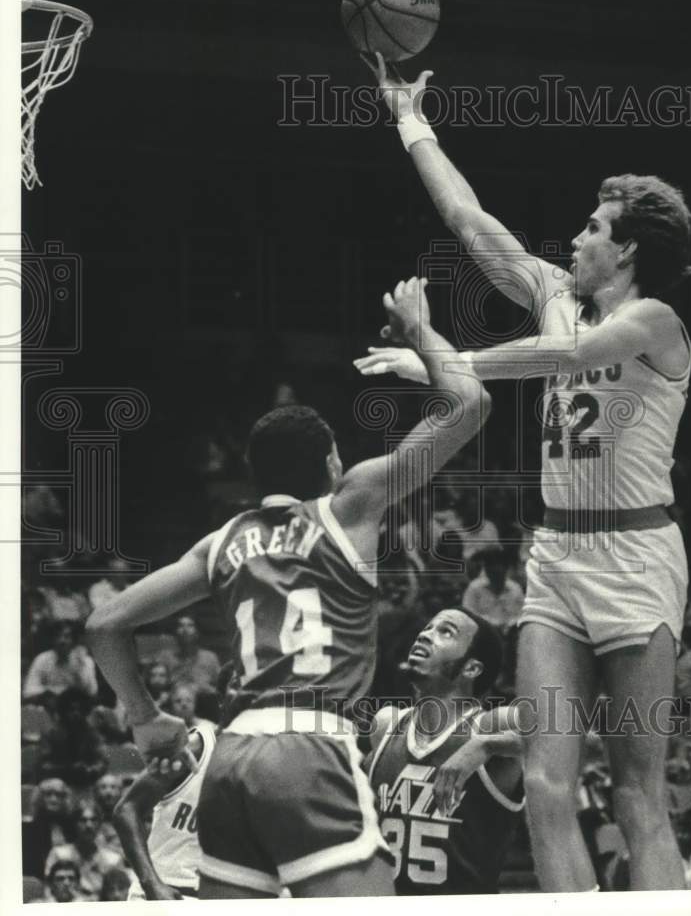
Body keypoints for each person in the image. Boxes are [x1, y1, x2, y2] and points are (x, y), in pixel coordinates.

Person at [356, 54, 691, 891]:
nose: (574, 239)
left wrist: (437, 356)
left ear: (625, 253)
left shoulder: (654, 321)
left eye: (591, 229)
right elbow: (469, 220)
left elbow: (572, 351)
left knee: (633, 795)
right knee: (546, 782)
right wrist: (409, 120)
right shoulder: (552, 290)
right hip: (556, 559)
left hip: (636, 562)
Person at [86, 276, 491, 899]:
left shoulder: (219, 543)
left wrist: (144, 717)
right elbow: (471, 405)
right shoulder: (348, 505)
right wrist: (420, 332)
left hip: (231, 759)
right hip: (311, 744)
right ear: (332, 462)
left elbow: (105, 623)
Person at [368, 607, 525, 894]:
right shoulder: (385, 724)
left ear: (472, 668)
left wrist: (487, 745)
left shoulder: (490, 727)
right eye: (427, 627)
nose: (425, 635)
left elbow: (569, 736)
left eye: (445, 632)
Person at [113, 720, 252, 900]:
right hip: (167, 891)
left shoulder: (263, 762)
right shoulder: (195, 748)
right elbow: (127, 810)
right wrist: (152, 884)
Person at [45, 801, 126, 900]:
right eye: (83, 820)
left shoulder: (113, 860)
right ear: (74, 824)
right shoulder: (59, 854)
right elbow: (48, 890)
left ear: (100, 824)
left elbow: (119, 895)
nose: (88, 825)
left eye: (93, 820)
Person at [36, 688, 108, 789]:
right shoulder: (50, 734)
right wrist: (67, 769)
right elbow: (43, 765)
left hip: (86, 782)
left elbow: (102, 761)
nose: (76, 713)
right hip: (56, 784)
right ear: (63, 711)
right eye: (71, 709)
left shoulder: (92, 734)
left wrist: (89, 770)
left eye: (79, 709)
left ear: (85, 711)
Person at [23, 622, 98, 703]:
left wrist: (81, 667)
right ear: (52, 640)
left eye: (67, 636)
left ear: (73, 640)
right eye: (57, 636)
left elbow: (92, 692)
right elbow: (28, 690)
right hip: (49, 706)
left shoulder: (85, 661)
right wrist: (52, 691)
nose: (62, 640)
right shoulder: (42, 659)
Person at [462, 547, 524, 633]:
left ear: (506, 568)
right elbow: (468, 613)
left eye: (499, 567)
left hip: (510, 633)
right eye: (491, 567)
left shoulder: (515, 588)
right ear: (487, 570)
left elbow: (522, 614)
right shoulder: (474, 588)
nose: (495, 571)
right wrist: (491, 625)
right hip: (483, 632)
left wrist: (509, 625)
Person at [159, 614, 222, 692]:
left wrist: (204, 687)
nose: (185, 629)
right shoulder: (166, 658)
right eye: (181, 625)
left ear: (197, 632)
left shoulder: (210, 658)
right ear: (175, 632)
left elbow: (220, 687)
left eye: (190, 625)